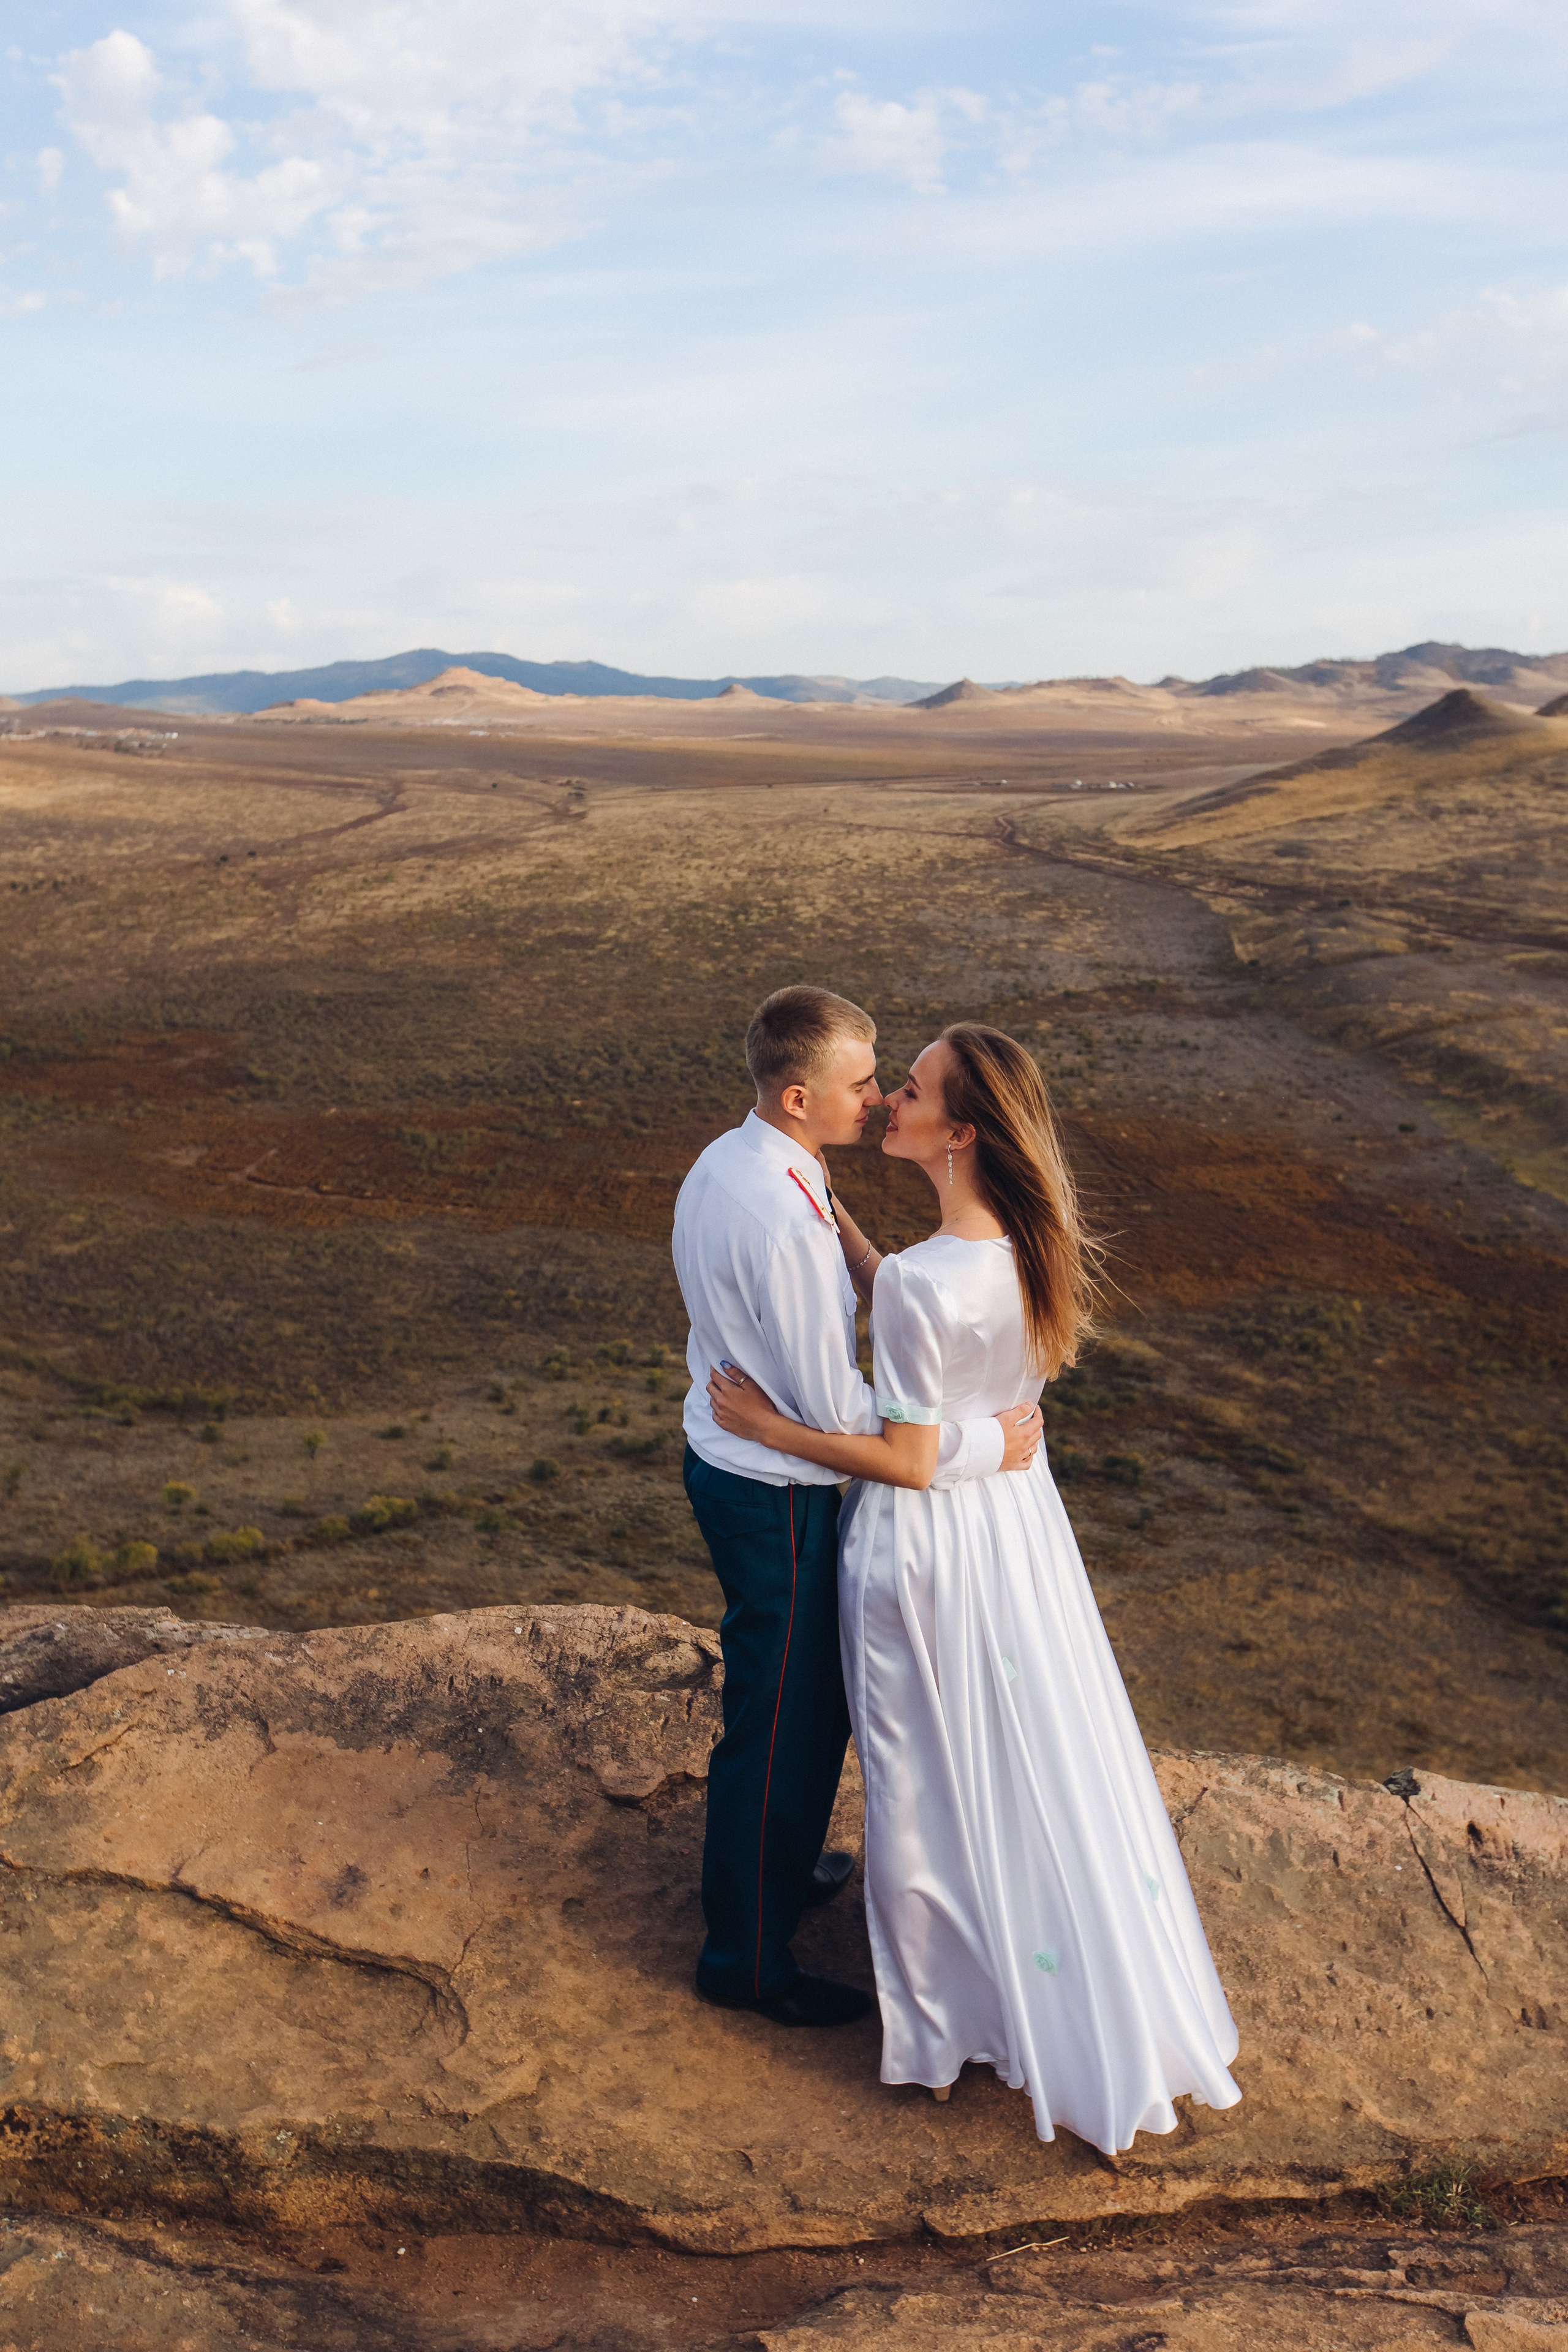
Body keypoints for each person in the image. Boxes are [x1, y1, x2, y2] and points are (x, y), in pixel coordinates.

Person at [707, 1022, 1242, 2152]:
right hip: (1016, 1535)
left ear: (957, 1132)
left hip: (926, 1547)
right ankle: (1040, 1977)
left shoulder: (918, 1286)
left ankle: (945, 2025)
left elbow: (903, 1456)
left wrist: (769, 1423)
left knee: (925, 1775)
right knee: (1027, 1752)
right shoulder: (1021, 1249)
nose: (887, 1098)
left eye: (908, 1089)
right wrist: (850, 1236)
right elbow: (930, 1328)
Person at [673, 987, 1044, 2030]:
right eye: (861, 1083)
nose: (879, 1099)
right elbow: (842, 1411)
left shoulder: (734, 1158)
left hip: (736, 1464)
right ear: (799, 1097)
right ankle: (746, 1960)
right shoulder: (787, 1227)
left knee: (800, 1703)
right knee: (783, 1722)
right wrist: (980, 1442)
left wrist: (851, 1243)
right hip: (775, 1495)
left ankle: (782, 1868)